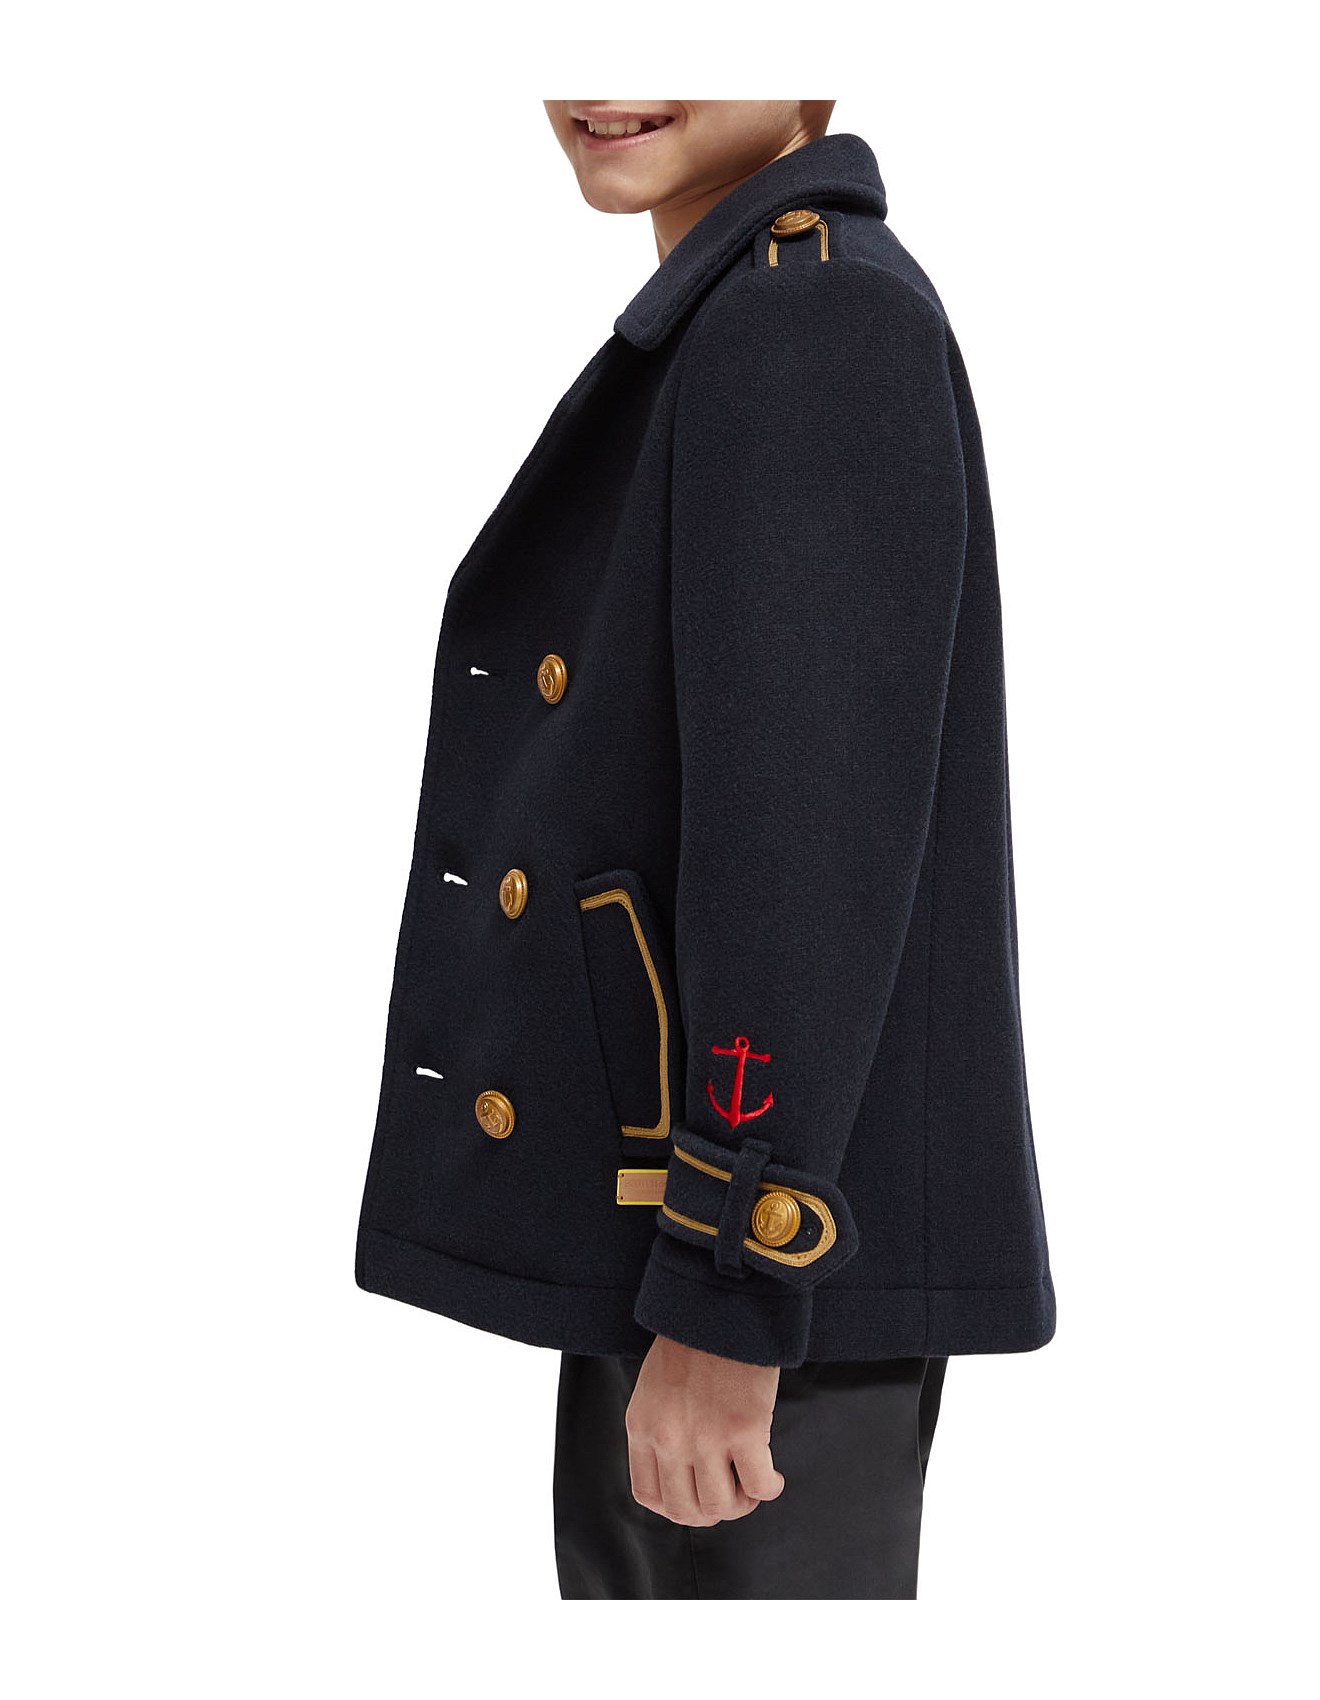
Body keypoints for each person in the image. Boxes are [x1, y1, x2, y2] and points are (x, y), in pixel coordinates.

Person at [355, 100, 1056, 1600]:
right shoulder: (745, 310)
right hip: (694, 1248)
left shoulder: (808, 324)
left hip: (751, 1278)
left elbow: (805, 856)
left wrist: (730, 1284)